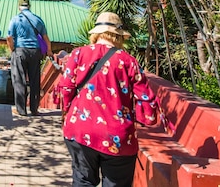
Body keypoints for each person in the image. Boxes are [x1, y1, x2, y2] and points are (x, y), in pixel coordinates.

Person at [58, 12, 158, 187]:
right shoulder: (129, 61)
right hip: (117, 137)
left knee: (83, 180)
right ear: (118, 36)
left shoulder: (78, 54)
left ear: (96, 33)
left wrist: (67, 112)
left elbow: (66, 88)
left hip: (81, 130)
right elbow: (146, 102)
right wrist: (146, 119)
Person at [6, 0, 52, 116]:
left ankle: (21, 110)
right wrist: (49, 51)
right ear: (29, 6)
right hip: (35, 52)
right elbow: (46, 38)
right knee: (34, 80)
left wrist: (13, 49)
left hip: (20, 51)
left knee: (19, 80)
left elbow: (9, 37)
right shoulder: (38, 19)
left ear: (19, 7)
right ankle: (34, 109)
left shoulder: (16, 19)